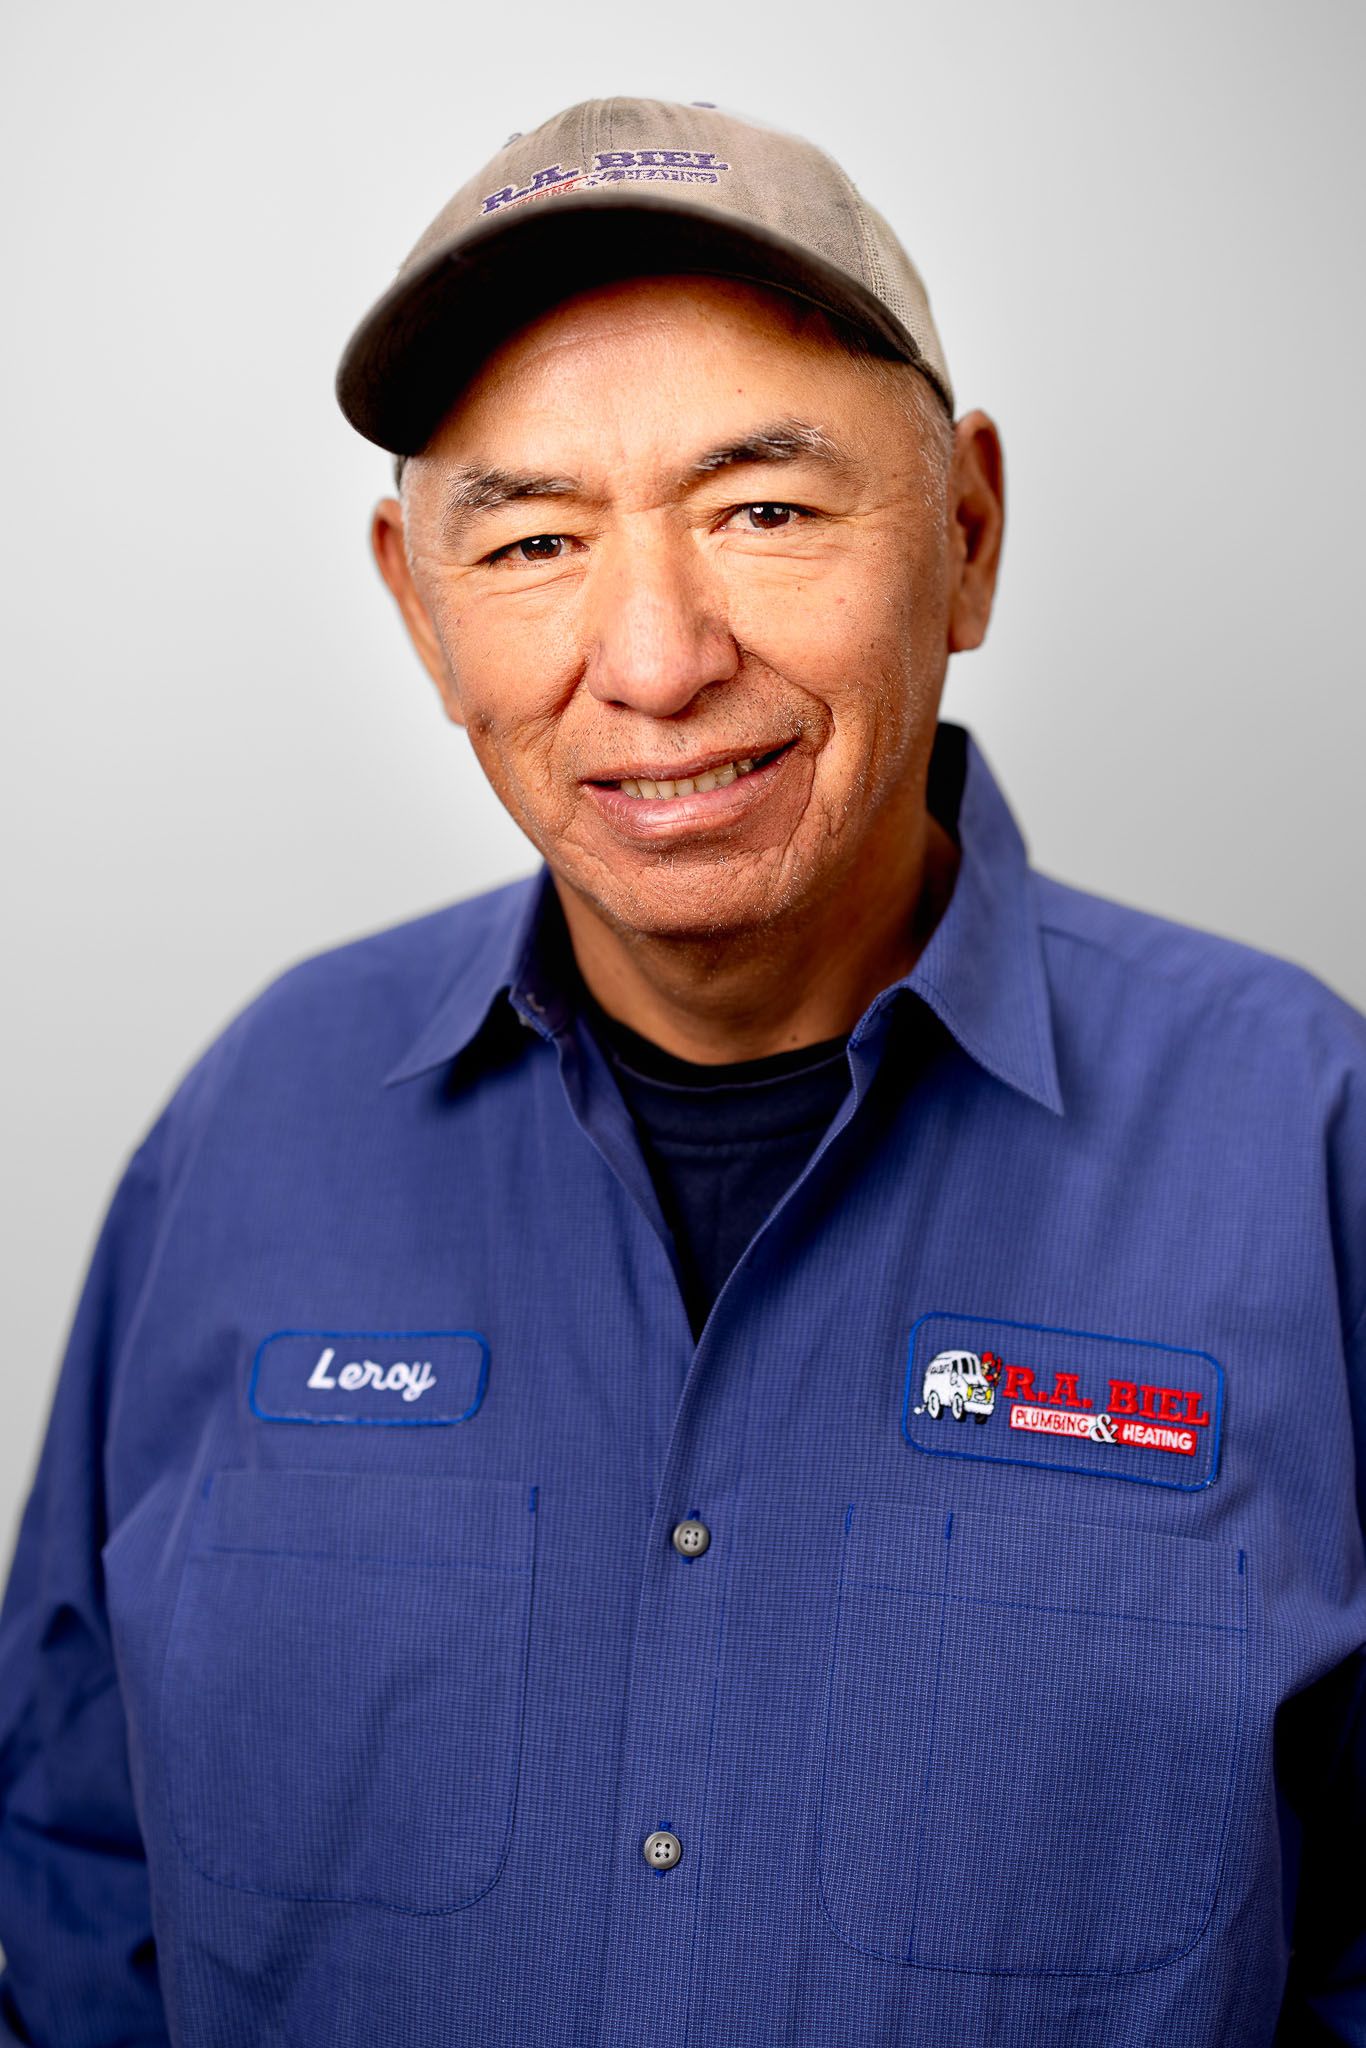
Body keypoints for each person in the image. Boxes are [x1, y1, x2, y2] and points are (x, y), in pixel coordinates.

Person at [0, 95, 1362, 2048]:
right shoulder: (248, 1131)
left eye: (764, 511)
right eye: (536, 538)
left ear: (964, 540)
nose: (650, 658)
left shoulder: (1302, 1139)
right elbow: (68, 1875)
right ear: (415, 602)